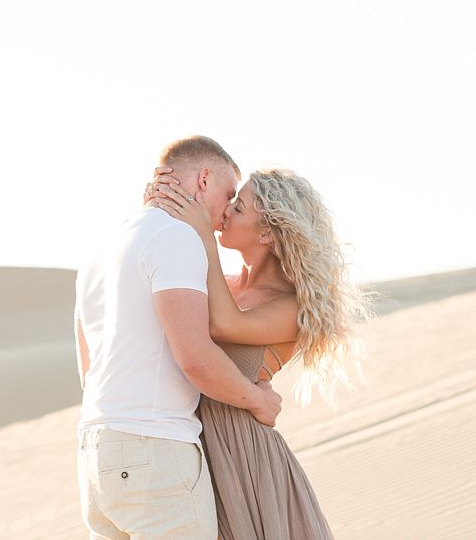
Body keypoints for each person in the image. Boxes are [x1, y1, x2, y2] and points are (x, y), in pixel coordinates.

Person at [145, 164, 370, 540]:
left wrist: (202, 237)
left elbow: (223, 324)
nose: (226, 210)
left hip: (241, 452)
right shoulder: (220, 282)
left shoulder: (291, 308)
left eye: (240, 206)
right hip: (186, 443)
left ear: (267, 231)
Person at [75, 136, 283, 540]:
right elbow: (195, 357)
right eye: (227, 195)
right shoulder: (177, 237)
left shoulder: (103, 247)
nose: (226, 213)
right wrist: (258, 399)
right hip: (155, 453)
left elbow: (87, 368)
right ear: (203, 178)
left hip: (94, 454)